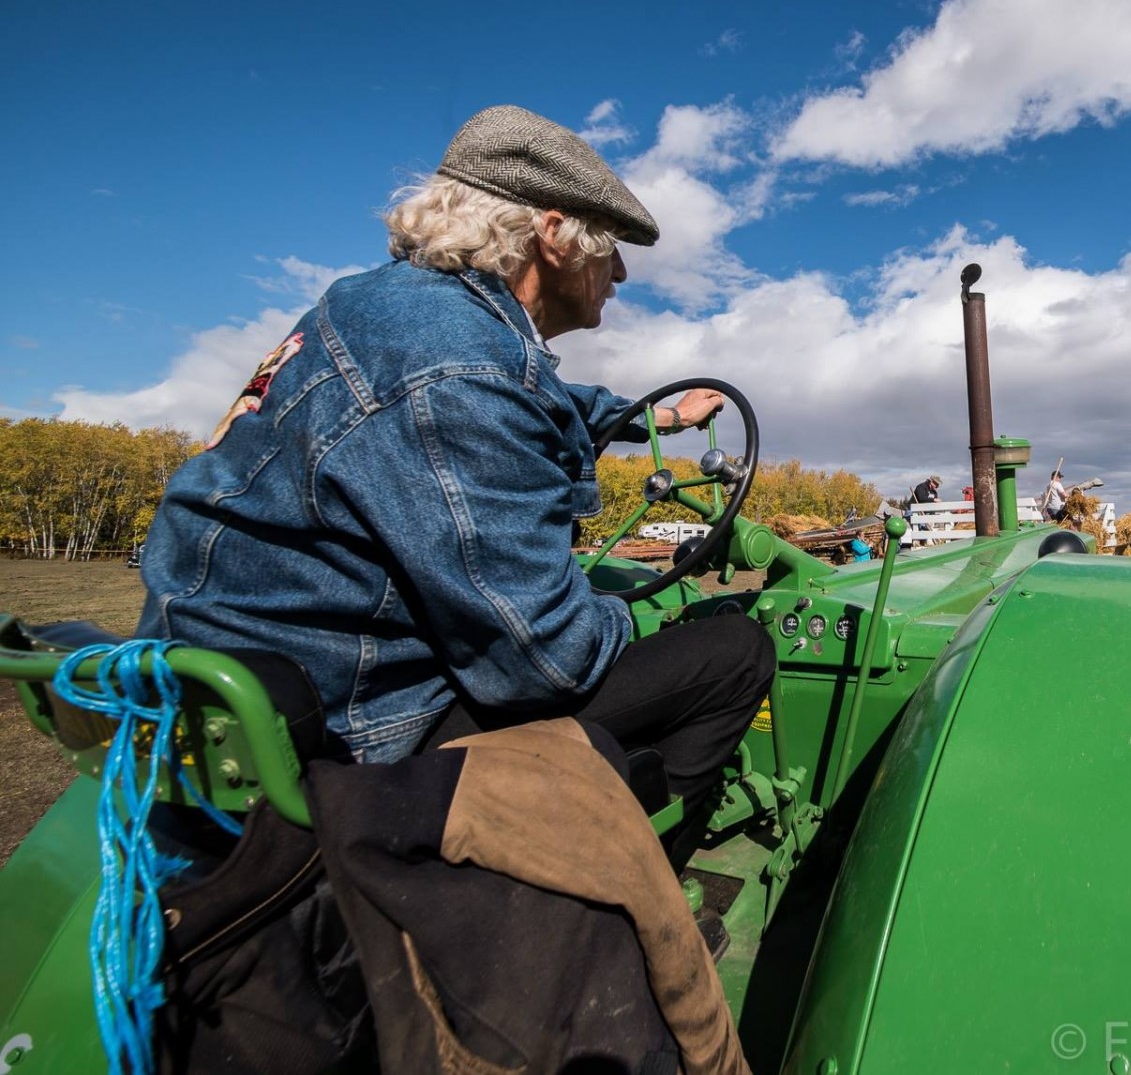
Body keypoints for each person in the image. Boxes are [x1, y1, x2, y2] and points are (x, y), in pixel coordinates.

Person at [136, 105, 775, 801]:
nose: (619, 271)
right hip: (350, 722)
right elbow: (548, 660)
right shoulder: (465, 375)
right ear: (553, 234)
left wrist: (661, 418)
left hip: (226, 671)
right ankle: (630, 847)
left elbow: (540, 399)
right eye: (610, 245)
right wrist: (636, 615)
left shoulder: (375, 308)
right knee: (734, 654)